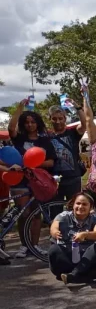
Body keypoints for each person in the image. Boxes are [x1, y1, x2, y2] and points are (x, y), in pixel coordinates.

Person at [7, 102, 56, 258]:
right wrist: (20, 108)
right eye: (26, 122)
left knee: (36, 214)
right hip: (20, 180)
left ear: (38, 123)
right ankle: (24, 246)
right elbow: (10, 128)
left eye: (33, 122)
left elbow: (51, 162)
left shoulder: (44, 141)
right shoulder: (19, 139)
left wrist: (32, 164)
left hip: (37, 180)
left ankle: (34, 246)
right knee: (24, 213)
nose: (30, 125)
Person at [49, 192, 96, 284]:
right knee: (54, 249)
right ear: (73, 204)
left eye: (84, 204)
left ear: (91, 207)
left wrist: (85, 235)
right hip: (66, 257)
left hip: (86, 258)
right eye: (78, 203)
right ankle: (83, 275)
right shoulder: (63, 216)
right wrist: (55, 232)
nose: (80, 207)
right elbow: (54, 227)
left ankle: (73, 275)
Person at [47, 104, 87, 200]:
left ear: (65, 119)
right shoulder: (47, 136)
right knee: (54, 209)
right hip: (53, 179)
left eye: (60, 118)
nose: (58, 121)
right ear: (50, 119)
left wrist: (78, 108)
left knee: (73, 207)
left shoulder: (72, 132)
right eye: (54, 118)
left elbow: (85, 124)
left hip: (73, 177)